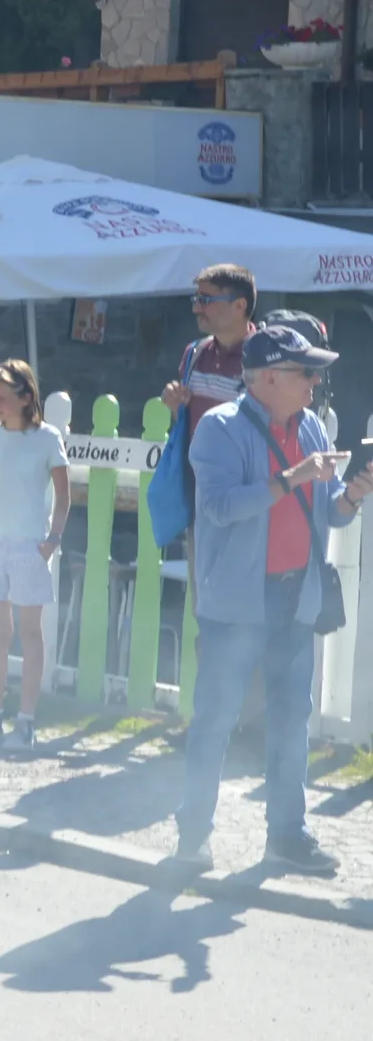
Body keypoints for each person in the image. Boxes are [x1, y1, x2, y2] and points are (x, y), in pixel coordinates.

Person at [176, 324, 371, 875]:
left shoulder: (308, 425)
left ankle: (286, 835)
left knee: (291, 721)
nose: (314, 383)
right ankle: (192, 838)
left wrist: (353, 494)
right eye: (305, 372)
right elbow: (217, 507)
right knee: (216, 718)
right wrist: (291, 479)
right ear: (267, 378)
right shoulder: (219, 428)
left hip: (293, 596)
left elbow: (327, 511)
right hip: (238, 602)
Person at [0, 359, 68, 752]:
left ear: (26, 398)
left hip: (29, 545)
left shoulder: (47, 438)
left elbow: (63, 494)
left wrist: (52, 540)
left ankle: (25, 720)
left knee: (29, 632)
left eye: (3, 398)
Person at [163, 262, 257, 423]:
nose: (196, 309)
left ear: (240, 305)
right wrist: (175, 406)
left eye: (205, 300)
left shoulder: (266, 359)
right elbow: (188, 425)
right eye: (196, 299)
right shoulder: (194, 353)